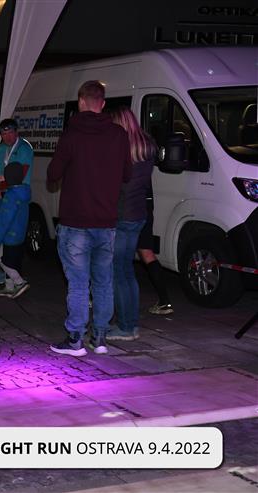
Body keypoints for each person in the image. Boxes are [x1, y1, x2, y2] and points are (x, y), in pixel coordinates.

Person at [46, 80, 132, 357]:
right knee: (103, 282)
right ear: (103, 104)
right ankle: (101, 337)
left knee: (79, 284)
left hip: (76, 223)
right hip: (106, 223)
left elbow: (53, 174)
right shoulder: (119, 135)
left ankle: (75, 340)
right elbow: (127, 174)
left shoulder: (71, 135)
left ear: (81, 102)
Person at [107, 106, 157, 342]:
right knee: (128, 271)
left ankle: (125, 327)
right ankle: (132, 324)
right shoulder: (147, 146)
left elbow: (116, 186)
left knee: (118, 272)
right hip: (139, 215)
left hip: (121, 215)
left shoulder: (120, 148)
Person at [0, 165, 31, 298]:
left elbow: (4, 221)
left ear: (9, 178)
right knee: (14, 262)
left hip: (9, 236)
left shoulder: (11, 195)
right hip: (19, 236)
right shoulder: (22, 192)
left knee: (2, 260)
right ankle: (9, 287)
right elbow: (6, 207)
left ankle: (19, 282)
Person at [138, 190, 174, 316]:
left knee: (113, 255)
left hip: (127, 209)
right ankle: (164, 301)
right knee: (147, 252)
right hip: (145, 206)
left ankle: (96, 298)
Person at [0, 118, 34, 194]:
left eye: (10, 133)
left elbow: (19, 174)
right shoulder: (2, 148)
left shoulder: (24, 148)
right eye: (4, 134)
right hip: (3, 190)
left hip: (19, 191)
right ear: (1, 135)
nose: (8, 137)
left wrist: (1, 185)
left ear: (16, 132)